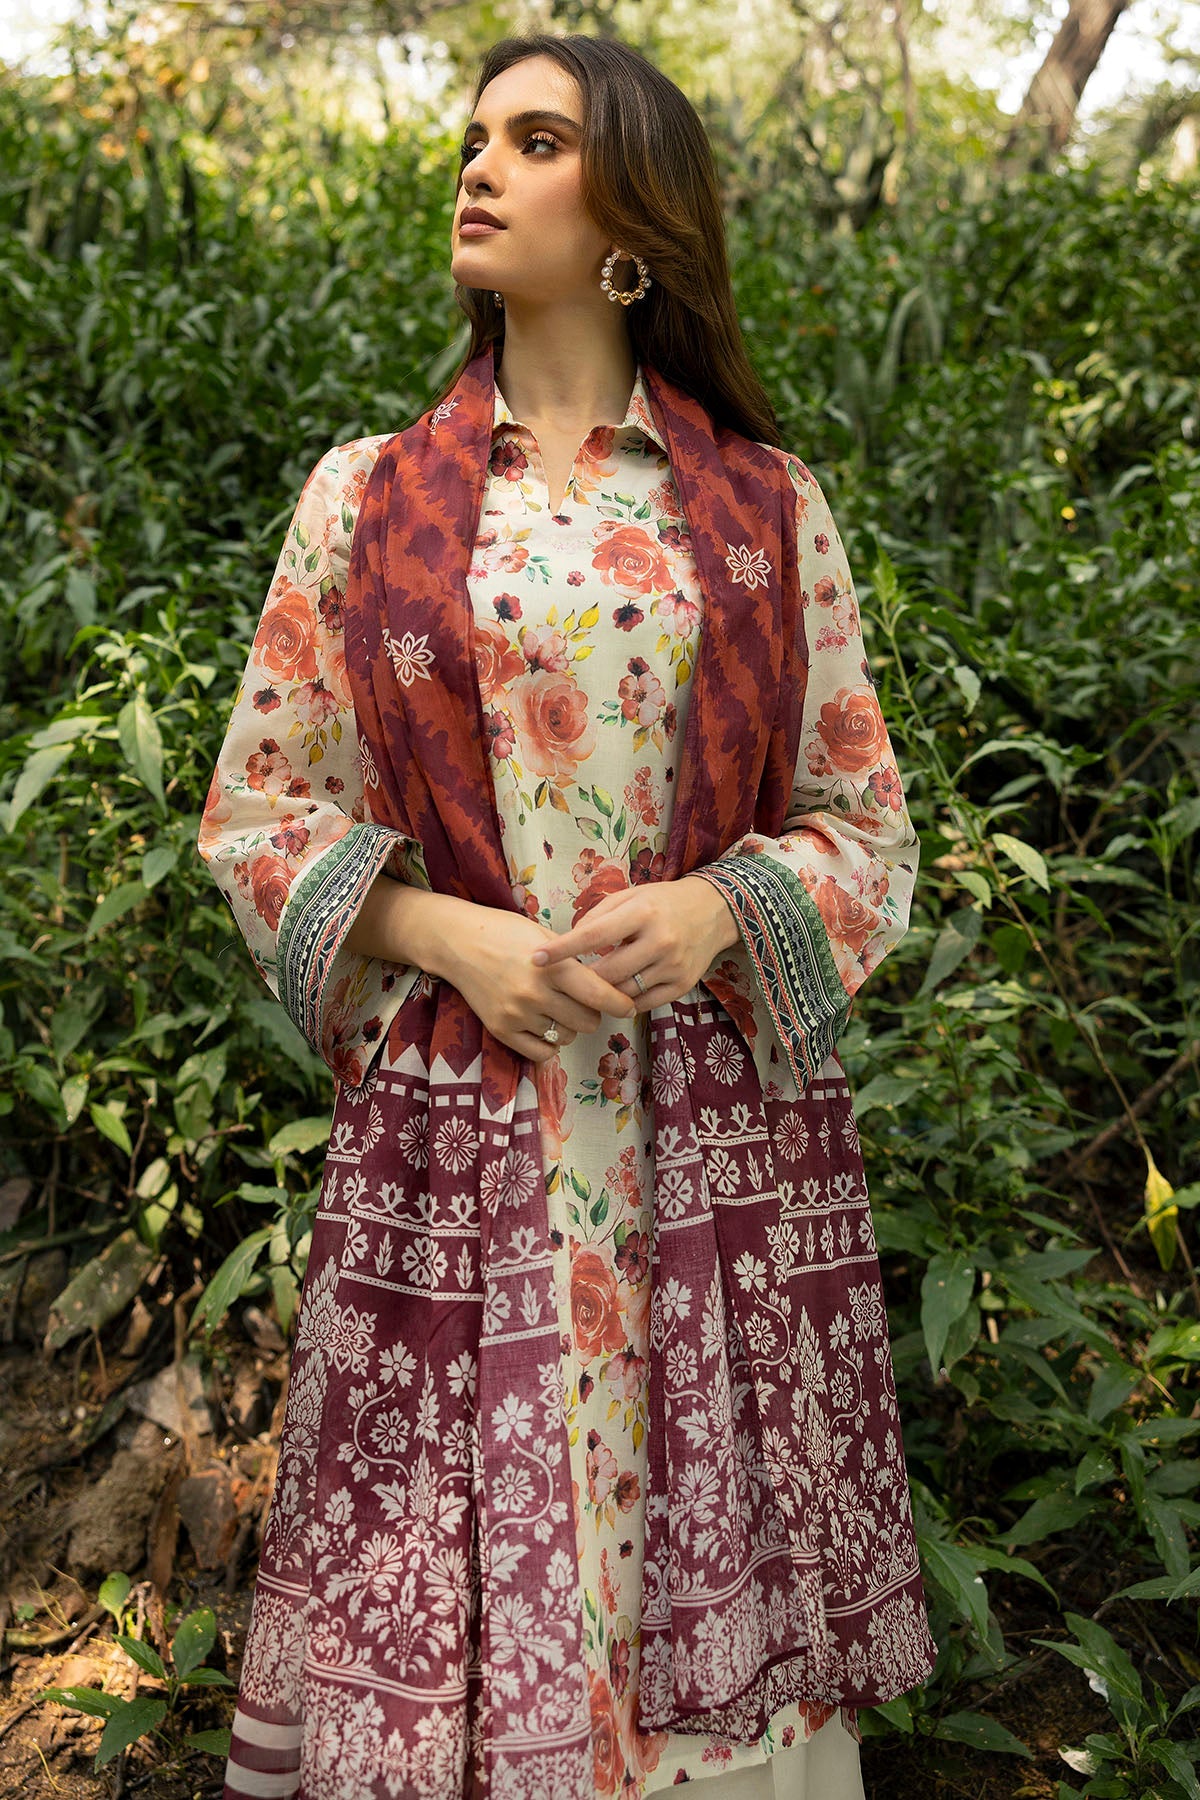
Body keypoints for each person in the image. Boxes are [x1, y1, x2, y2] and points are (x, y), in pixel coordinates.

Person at [198, 31, 935, 1800]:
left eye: (536, 139)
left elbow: (866, 823)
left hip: (706, 1147)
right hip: (461, 1139)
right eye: (475, 139)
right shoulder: (367, 499)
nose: (479, 166)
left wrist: (721, 907)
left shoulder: (761, 504)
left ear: (632, 216)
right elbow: (259, 813)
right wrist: (440, 935)